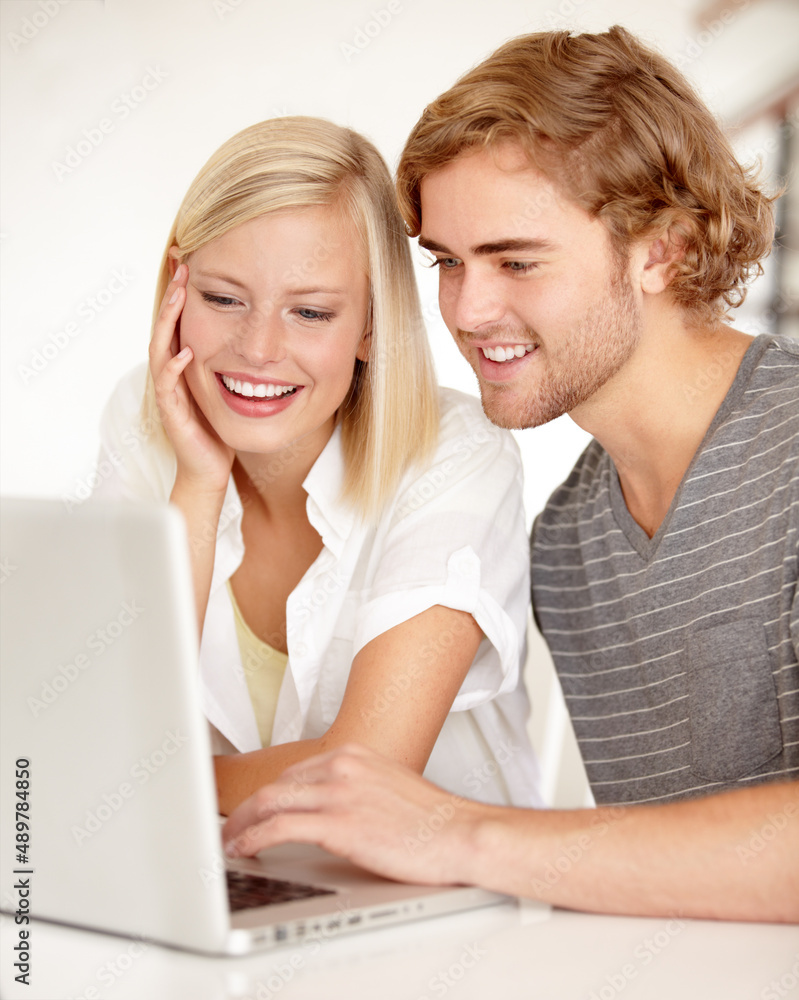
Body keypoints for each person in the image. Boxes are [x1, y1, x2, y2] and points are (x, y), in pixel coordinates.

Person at [221, 29, 799, 922]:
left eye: (515, 261)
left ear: (664, 250)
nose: (465, 309)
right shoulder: (570, 542)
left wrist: (454, 832)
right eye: (447, 262)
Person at [92, 116, 543, 816]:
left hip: (428, 907)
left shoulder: (457, 452)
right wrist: (199, 486)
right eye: (222, 299)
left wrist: (146, 788)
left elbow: (366, 769)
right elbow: (114, 713)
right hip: (222, 888)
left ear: (370, 324)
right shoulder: (146, 416)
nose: (259, 348)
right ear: (175, 288)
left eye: (308, 312)